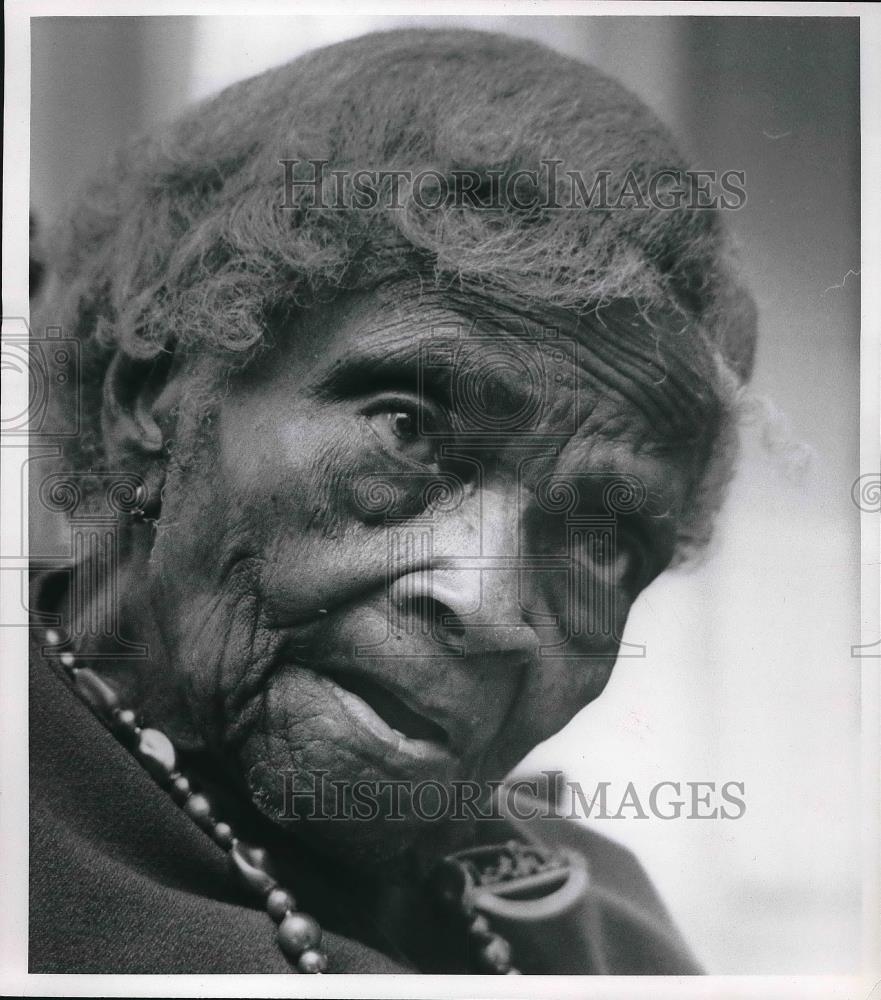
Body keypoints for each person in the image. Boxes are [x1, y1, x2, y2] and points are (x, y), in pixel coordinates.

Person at [29, 27, 756, 974]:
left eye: (599, 541)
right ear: (151, 393)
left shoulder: (604, 925)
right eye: (409, 432)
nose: (488, 609)